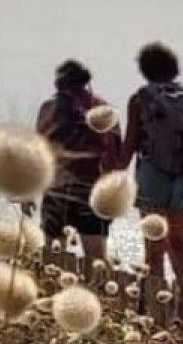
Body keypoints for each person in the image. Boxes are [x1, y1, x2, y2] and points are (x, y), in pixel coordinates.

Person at [123, 43, 183, 288]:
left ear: (145, 69)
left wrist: (111, 177)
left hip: (153, 175)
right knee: (179, 244)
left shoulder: (141, 99)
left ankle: (156, 306)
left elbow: (129, 145)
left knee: (154, 245)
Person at [36, 59, 125, 261]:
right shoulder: (104, 110)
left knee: (53, 258)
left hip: (56, 189)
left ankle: (54, 290)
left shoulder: (49, 107)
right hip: (93, 191)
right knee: (96, 261)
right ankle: (98, 290)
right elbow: (117, 154)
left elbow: (37, 152)